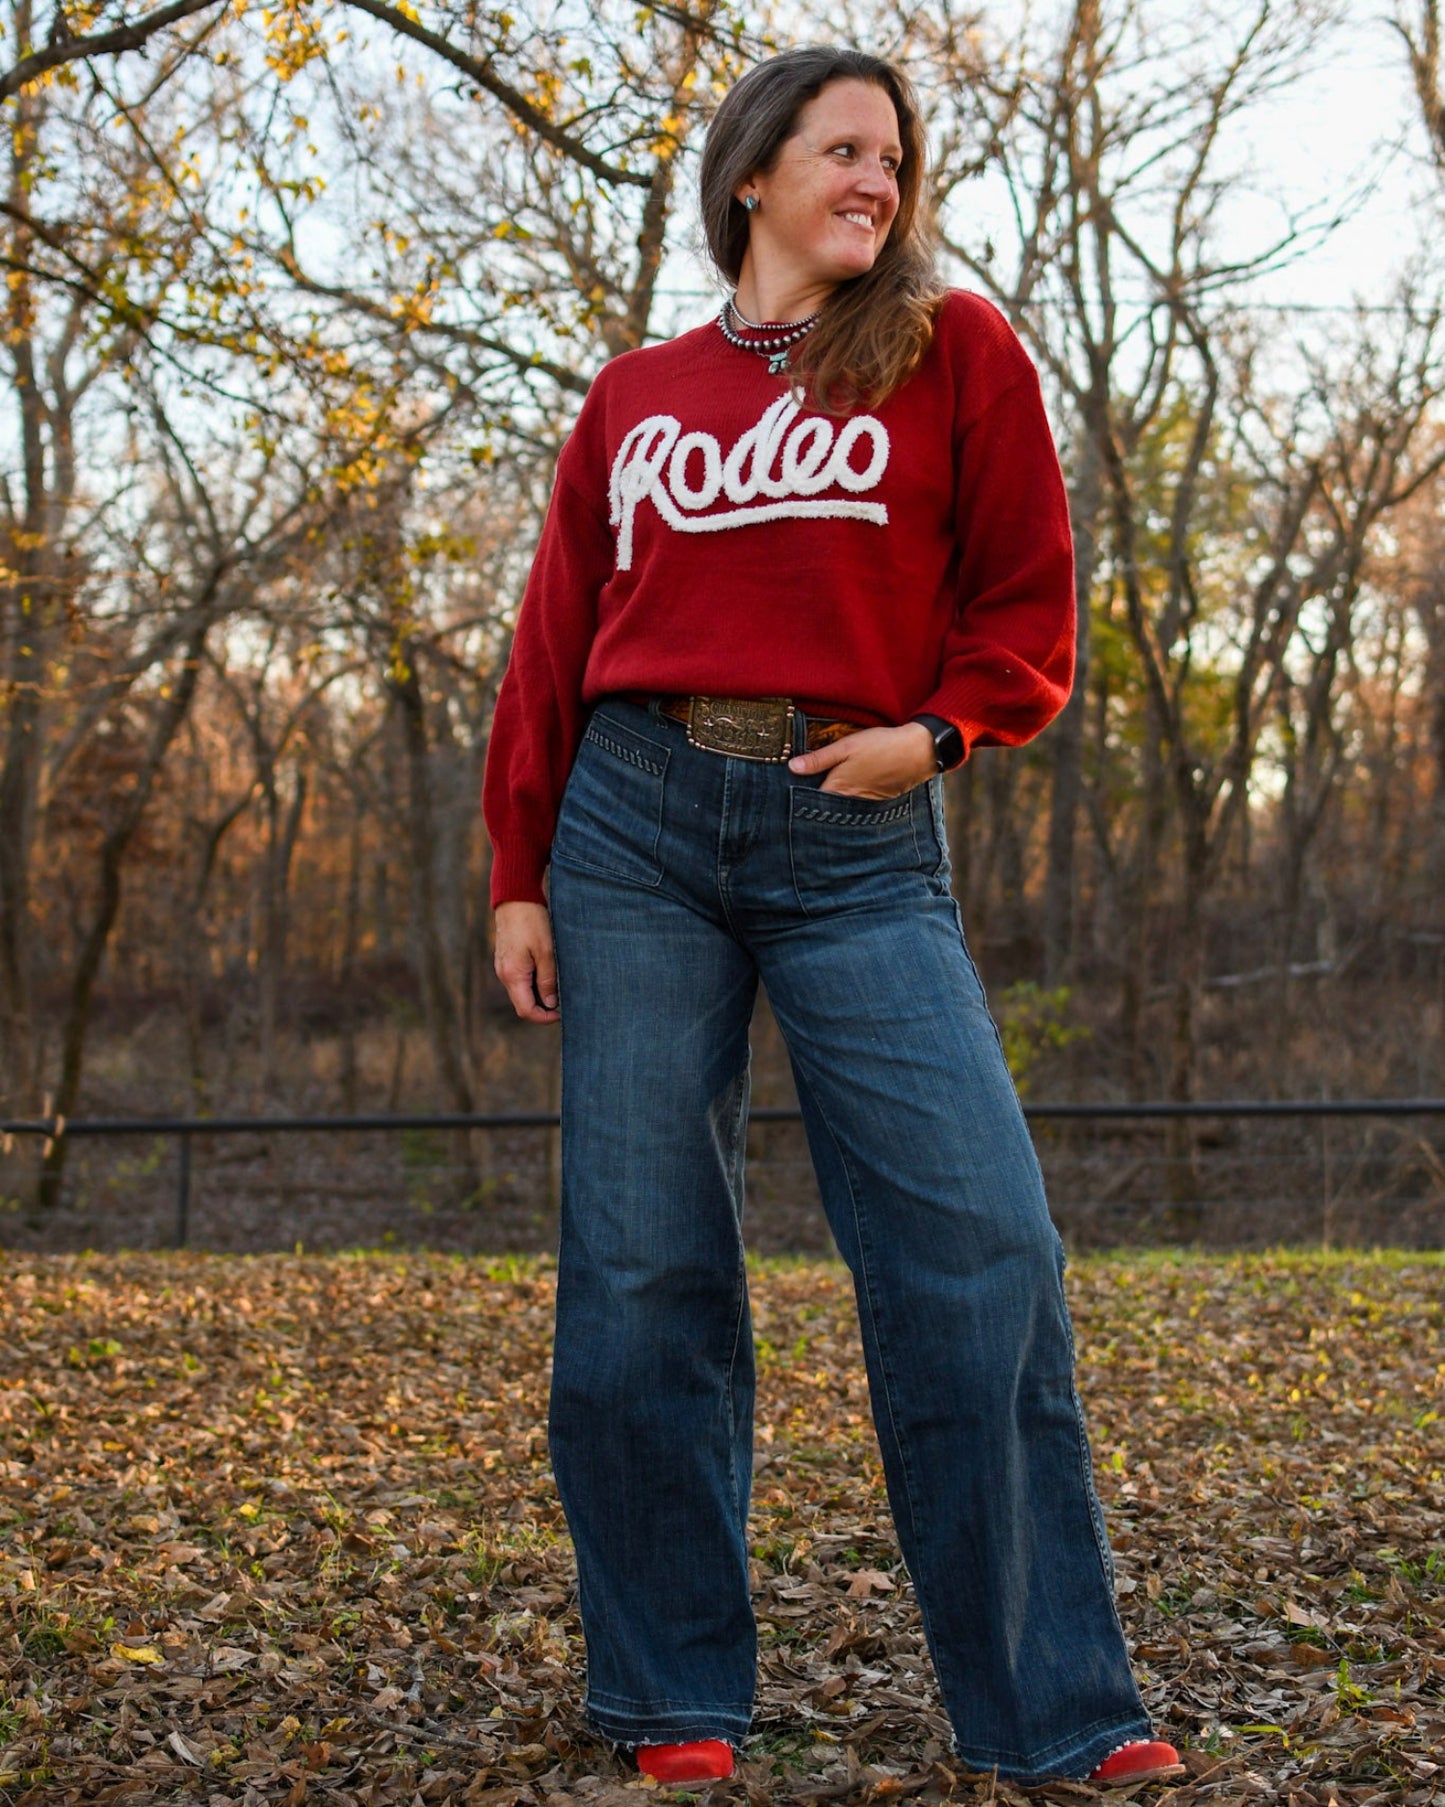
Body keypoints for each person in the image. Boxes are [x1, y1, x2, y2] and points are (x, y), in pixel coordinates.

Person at [482, 45, 1182, 1790]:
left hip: (853, 823)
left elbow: (1027, 594)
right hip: (631, 828)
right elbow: (551, 646)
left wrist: (940, 736)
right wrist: (513, 870)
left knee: (981, 1244)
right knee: (644, 1264)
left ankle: (1055, 1708)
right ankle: (674, 1697)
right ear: (752, 177)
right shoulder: (634, 396)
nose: (878, 178)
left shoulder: (954, 356)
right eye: (843, 148)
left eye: (894, 156)